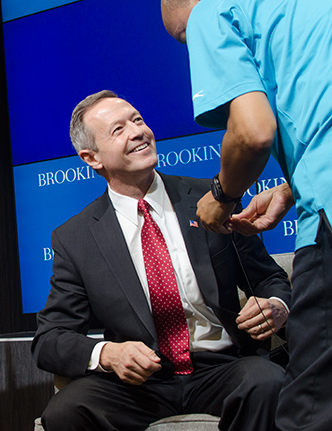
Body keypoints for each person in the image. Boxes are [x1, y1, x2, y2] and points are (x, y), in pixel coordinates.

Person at [32, 91, 292, 431]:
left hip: (223, 368)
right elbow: (51, 339)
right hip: (140, 384)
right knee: (66, 411)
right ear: (91, 158)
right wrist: (109, 354)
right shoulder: (76, 238)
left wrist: (275, 304)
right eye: (118, 129)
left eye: (138, 120)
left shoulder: (213, 200)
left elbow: (270, 279)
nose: (138, 131)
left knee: (268, 382)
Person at [160, 1, 332, 429]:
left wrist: (222, 194)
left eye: (183, 40)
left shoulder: (210, 13)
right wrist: (293, 187)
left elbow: (253, 131)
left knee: (311, 410)